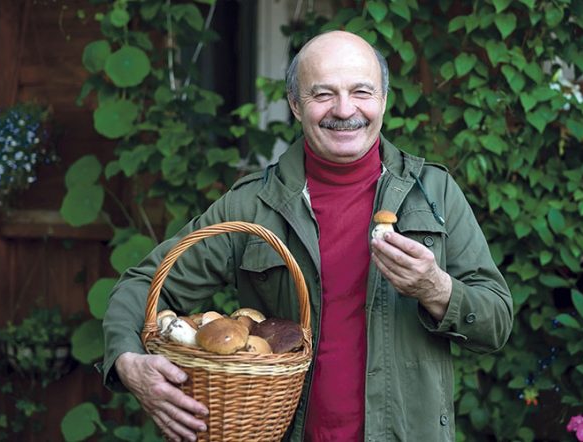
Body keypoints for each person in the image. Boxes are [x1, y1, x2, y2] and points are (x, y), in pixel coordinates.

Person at [102, 30, 513, 442]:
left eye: (362, 92)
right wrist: (127, 360)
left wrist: (436, 288)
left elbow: (495, 321)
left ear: (384, 100)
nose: (345, 109)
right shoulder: (253, 204)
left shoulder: (433, 191)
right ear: (296, 105)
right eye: (323, 94)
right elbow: (143, 284)